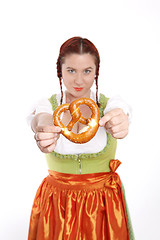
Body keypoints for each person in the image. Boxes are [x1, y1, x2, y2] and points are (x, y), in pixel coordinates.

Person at [28, 37, 134, 240]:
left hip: (103, 205)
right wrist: (43, 128)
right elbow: (40, 118)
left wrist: (120, 120)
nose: (78, 81)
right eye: (71, 71)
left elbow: (120, 111)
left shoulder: (109, 106)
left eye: (87, 71)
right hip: (56, 205)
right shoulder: (47, 107)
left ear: (96, 72)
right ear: (60, 71)